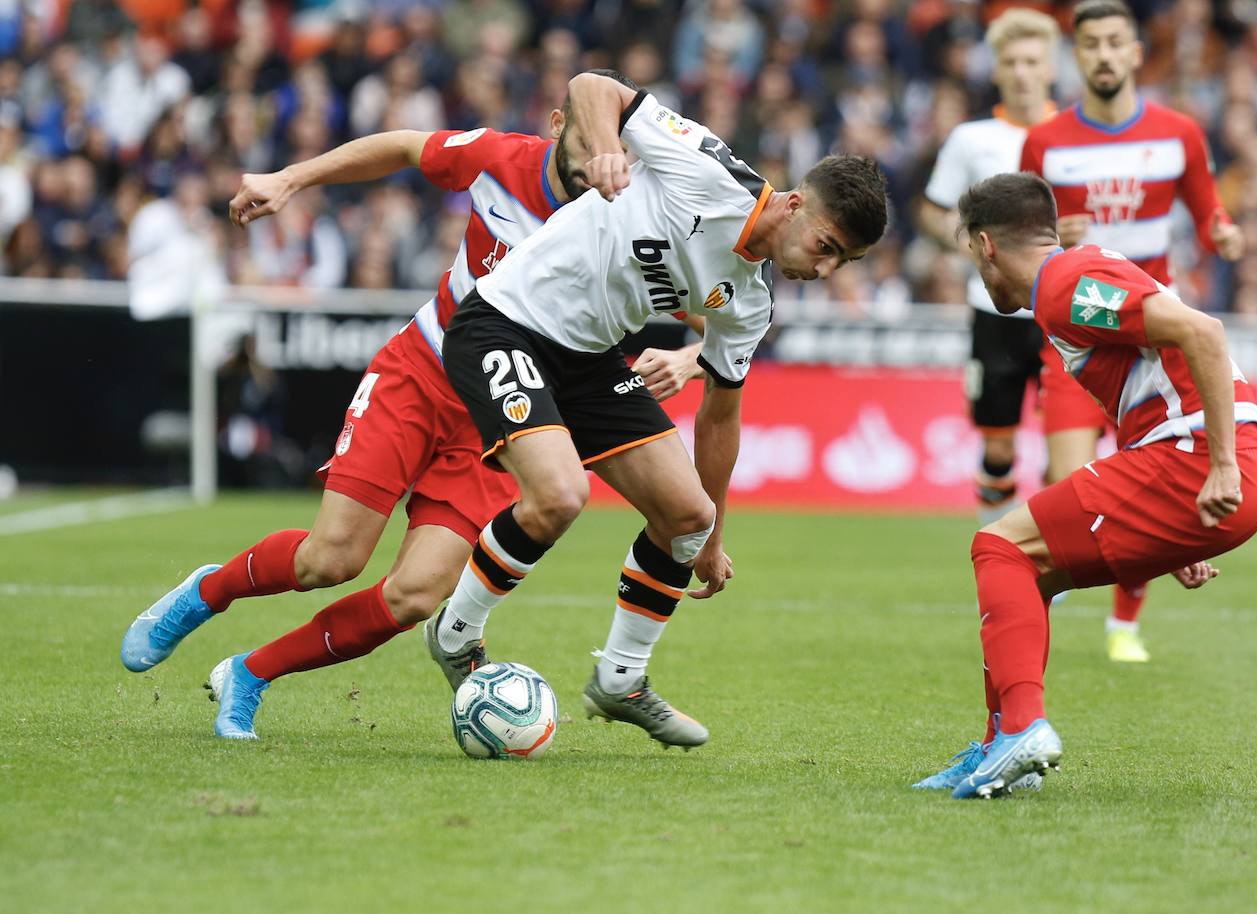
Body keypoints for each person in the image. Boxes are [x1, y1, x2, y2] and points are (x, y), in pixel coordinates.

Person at [119, 71, 706, 740]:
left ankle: (250, 674)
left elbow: (713, 310)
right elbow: (404, 146)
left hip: (506, 418)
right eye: (591, 138)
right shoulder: (497, 160)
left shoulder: (626, 221)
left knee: (416, 596)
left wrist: (691, 358)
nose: (605, 158)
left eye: (619, 147)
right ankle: (208, 592)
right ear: (555, 126)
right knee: (331, 559)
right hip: (421, 375)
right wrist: (290, 178)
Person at [433, 71, 888, 749]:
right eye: (825, 247)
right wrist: (608, 146)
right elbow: (592, 85)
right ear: (793, 205)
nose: (822, 270)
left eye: (841, 262)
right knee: (559, 495)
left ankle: (620, 681)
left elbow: (721, 417)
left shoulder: (753, 301)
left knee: (687, 517)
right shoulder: (705, 168)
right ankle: (455, 633)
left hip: (589, 358)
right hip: (505, 321)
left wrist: (714, 538)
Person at [913, 171, 1257, 798]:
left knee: (999, 546)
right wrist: (1176, 535)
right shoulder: (1074, 276)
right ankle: (1003, 746)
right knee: (1035, 570)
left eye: (973, 256)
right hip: (1187, 459)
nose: (979, 274)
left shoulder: (1064, 287)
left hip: (1198, 455)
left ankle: (1022, 729)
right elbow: (1159, 377)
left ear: (988, 245)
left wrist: (1219, 466)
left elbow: (1203, 333)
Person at [1019, 0, 1245, 663]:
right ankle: (1044, 599)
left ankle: (1124, 624)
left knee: (1143, 483)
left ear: (1138, 52)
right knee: (1072, 490)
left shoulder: (1178, 132)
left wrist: (1222, 232)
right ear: (1077, 55)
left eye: (1117, 43)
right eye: (1091, 45)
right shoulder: (1047, 140)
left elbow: (1208, 209)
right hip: (1076, 338)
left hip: (1151, 338)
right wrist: (1056, 236)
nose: (1105, 56)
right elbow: (1029, 233)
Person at [919, 7, 1060, 524]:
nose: (1022, 71)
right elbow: (934, 211)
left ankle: (1053, 556)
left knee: (1064, 446)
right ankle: (998, 549)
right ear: (997, 69)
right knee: (998, 447)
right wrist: (974, 251)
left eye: (1032, 60)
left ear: (1051, 68)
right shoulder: (970, 138)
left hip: (1059, 312)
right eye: (1012, 61)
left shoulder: (1074, 135)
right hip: (993, 311)